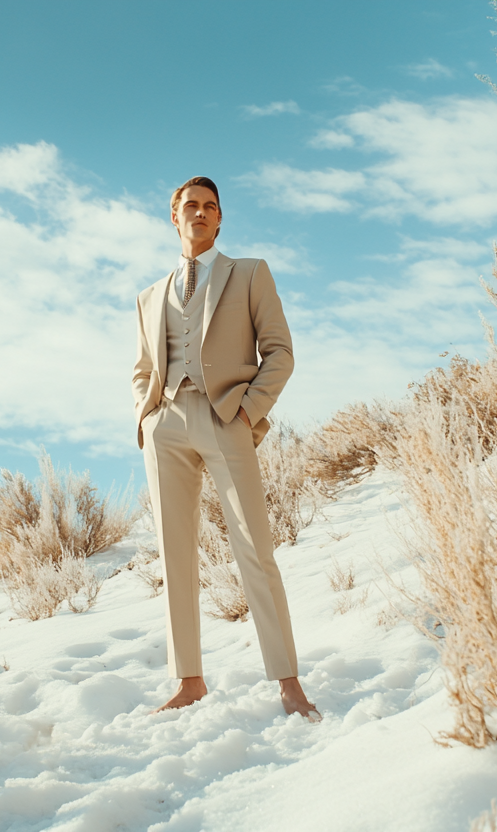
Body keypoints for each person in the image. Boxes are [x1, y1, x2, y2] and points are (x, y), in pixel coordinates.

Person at [131, 176, 319, 720]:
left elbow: (280, 352)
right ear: (174, 217)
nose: (201, 213)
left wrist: (246, 411)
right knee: (175, 553)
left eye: (211, 207)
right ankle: (189, 681)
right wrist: (146, 415)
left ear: (220, 219)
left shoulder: (250, 273)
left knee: (255, 550)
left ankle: (289, 684)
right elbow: (142, 368)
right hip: (165, 424)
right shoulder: (148, 297)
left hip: (226, 418)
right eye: (191, 205)